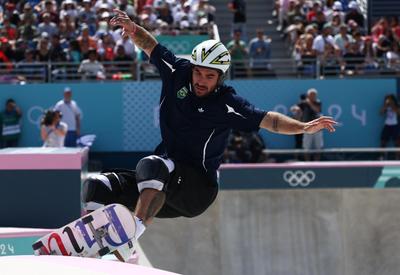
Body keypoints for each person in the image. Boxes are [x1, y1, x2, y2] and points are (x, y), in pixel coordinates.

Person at [82, 9, 337, 261]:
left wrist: (303, 127)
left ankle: (130, 239)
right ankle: (87, 247)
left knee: (151, 164)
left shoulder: (227, 103)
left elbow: (269, 119)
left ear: (220, 78)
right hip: (163, 186)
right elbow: (151, 46)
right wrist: (134, 29)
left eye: (209, 76)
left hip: (197, 189)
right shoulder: (177, 71)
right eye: (198, 73)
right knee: (98, 185)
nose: (201, 81)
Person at [297, 88, 323, 161]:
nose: (313, 97)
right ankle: (307, 163)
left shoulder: (318, 102)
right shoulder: (303, 103)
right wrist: (296, 109)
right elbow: (296, 107)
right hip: (307, 128)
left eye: (314, 95)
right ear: (308, 95)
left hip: (317, 128)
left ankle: (317, 163)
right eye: (311, 95)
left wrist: (309, 103)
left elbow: (317, 110)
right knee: (306, 147)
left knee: (318, 147)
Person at [379, 94, 400, 159]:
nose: (388, 101)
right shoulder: (386, 106)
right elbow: (380, 113)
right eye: (387, 99)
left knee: (397, 142)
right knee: (383, 141)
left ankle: (398, 156)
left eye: (390, 99)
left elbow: (398, 113)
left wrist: (392, 105)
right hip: (387, 125)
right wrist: (385, 106)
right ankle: (382, 156)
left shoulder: (397, 106)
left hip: (395, 125)